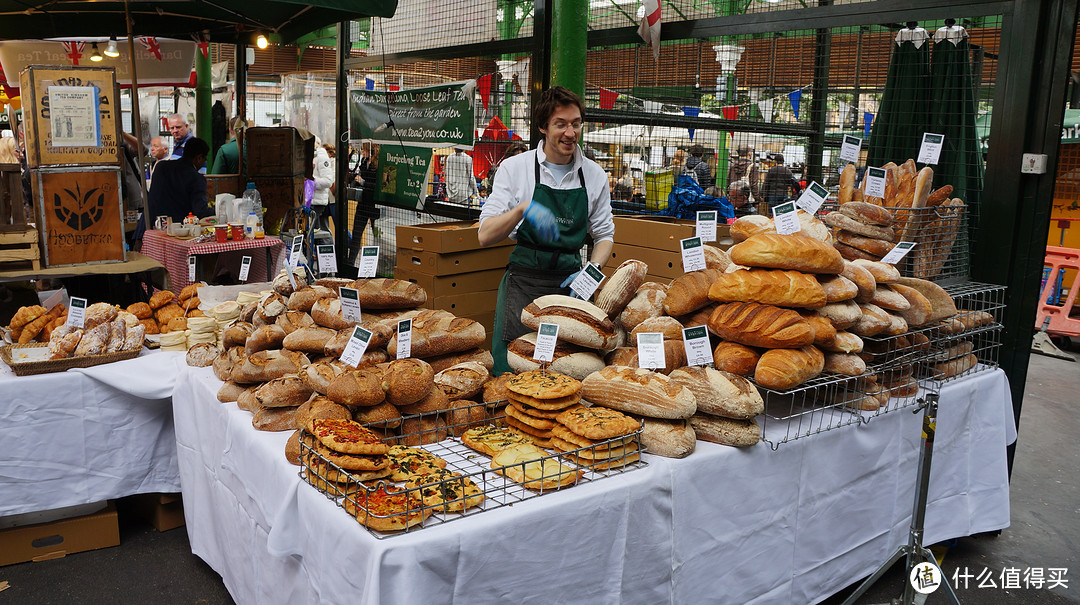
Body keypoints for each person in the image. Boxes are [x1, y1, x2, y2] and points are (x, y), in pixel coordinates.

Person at [478, 86, 614, 375]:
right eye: (561, 124)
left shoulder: (594, 175)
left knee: (566, 371)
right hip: (523, 285)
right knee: (513, 370)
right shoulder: (515, 169)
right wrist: (521, 210)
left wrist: (591, 273)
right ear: (542, 126)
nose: (570, 132)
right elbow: (484, 235)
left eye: (576, 123)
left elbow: (604, 235)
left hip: (571, 288)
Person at [148, 137, 212, 223]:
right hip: (178, 229)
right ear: (199, 158)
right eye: (205, 159)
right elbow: (201, 211)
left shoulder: (161, 167)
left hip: (152, 225)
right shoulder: (196, 178)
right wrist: (219, 209)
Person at [311, 138, 333, 231]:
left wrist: (310, 181)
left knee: (317, 231)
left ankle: (327, 245)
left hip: (317, 202)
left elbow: (328, 181)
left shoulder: (322, 157)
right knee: (316, 230)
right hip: (310, 201)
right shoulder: (309, 156)